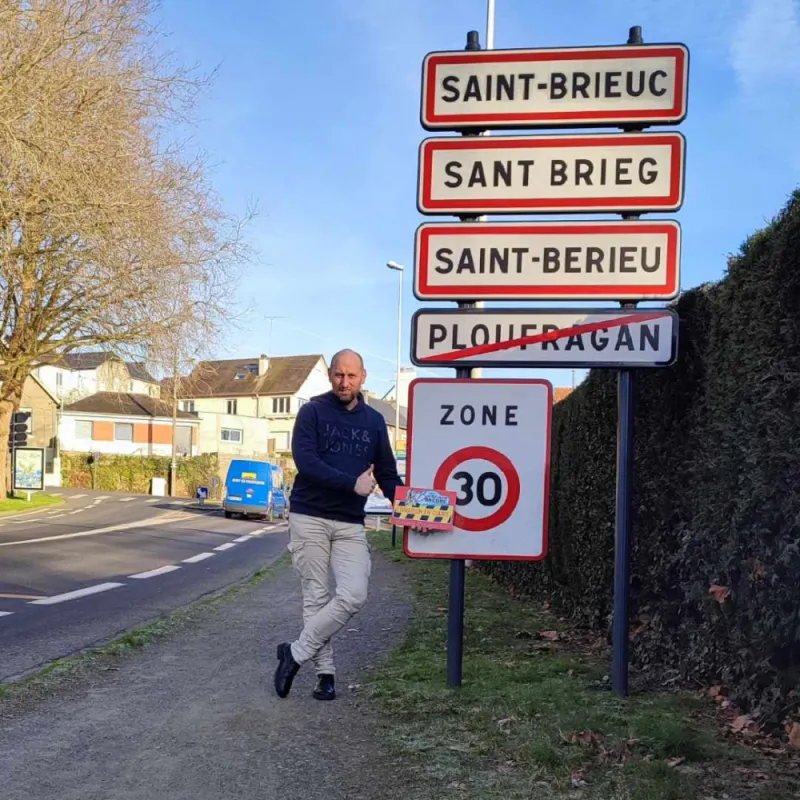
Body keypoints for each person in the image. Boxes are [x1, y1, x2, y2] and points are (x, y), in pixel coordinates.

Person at [273, 348, 403, 701]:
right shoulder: (312, 412)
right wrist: (351, 484)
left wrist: (409, 511)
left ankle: (295, 653)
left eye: (351, 376)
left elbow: (388, 474)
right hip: (309, 516)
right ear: (330, 376)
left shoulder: (375, 422)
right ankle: (325, 674)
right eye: (338, 375)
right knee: (316, 596)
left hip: (349, 523)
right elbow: (307, 461)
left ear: (363, 378)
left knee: (353, 594)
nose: (344, 382)